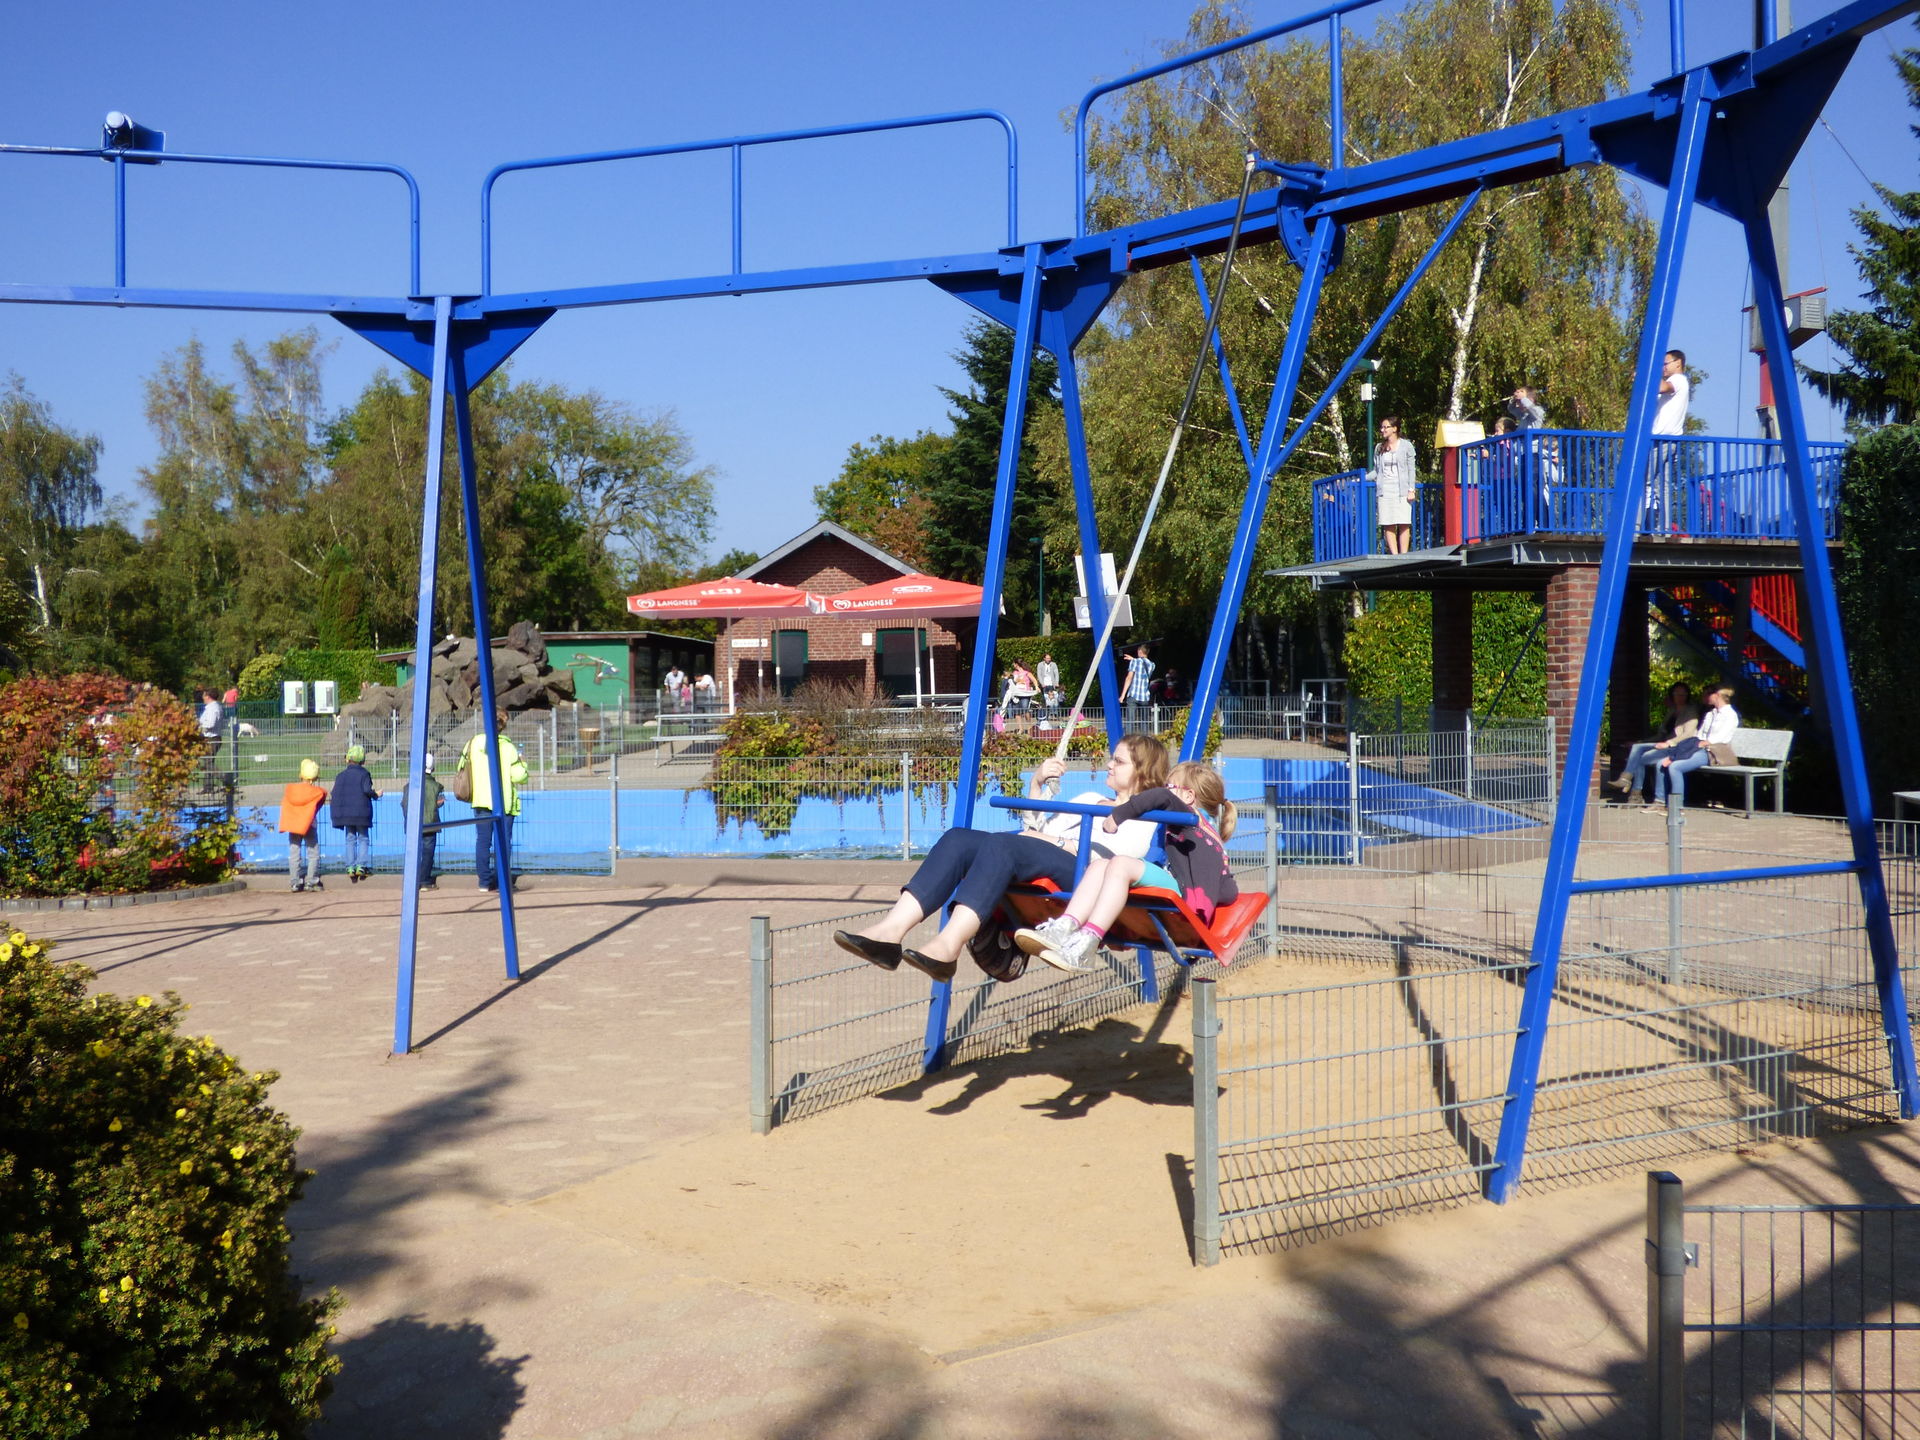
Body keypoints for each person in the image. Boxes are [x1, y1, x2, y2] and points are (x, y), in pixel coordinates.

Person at [831, 734, 1171, 982]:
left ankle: (949, 944)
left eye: (1119, 761)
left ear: (1143, 771)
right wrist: (1037, 785)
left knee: (1003, 845)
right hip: (1048, 855)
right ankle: (890, 933)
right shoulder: (1090, 798)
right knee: (958, 839)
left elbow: (1120, 856)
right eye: (1112, 758)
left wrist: (1053, 840)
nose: (1109, 764)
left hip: (1087, 876)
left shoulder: (1146, 817)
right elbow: (1034, 830)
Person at [1017, 760, 1240, 972]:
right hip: (1179, 886)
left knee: (1121, 865)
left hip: (1183, 897)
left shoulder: (1189, 818)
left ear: (1187, 796)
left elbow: (1162, 797)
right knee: (1101, 865)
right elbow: (1229, 891)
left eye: (1170, 786)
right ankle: (1065, 926)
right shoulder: (1207, 834)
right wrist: (1210, 891)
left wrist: (1118, 816)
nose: (1165, 789)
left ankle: (1088, 941)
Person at [460, 712, 529, 892]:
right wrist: (524, 764)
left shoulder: (473, 743)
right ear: (503, 725)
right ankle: (501, 882)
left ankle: (484, 881)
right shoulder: (508, 747)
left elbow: (461, 766)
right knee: (503, 842)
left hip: (480, 799)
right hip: (503, 801)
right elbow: (519, 776)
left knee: (483, 841)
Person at [1650, 684, 1738, 809]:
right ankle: (1659, 801)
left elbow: (1718, 738)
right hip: (1698, 748)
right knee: (1661, 764)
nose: (1705, 697)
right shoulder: (1711, 714)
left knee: (1675, 767)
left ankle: (1676, 808)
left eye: (1708, 694)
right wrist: (1694, 744)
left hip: (1713, 752)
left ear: (1717, 695)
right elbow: (1699, 735)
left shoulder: (1730, 715)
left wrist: (1700, 743)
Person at [1607, 682, 1701, 800]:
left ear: (1687, 695)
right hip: (1664, 744)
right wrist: (1640, 742)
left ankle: (1633, 790)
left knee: (1639, 758)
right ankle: (1628, 783)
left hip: (1677, 746)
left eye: (1683, 694)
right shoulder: (1672, 711)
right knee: (1637, 748)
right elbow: (1660, 735)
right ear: (1672, 695)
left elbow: (1688, 734)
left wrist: (1669, 743)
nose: (1680, 696)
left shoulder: (1690, 711)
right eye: (1677, 693)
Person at [1649, 348, 1690, 530]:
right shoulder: (1677, 382)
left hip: (1662, 440)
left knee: (1642, 480)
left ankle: (1635, 525)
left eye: (1665, 364)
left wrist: (1646, 375)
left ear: (1678, 363)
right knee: (1662, 485)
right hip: (1668, 440)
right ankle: (1664, 527)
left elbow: (1663, 387)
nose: (1663, 368)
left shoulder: (1678, 380)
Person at [330, 744, 381, 884]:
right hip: (361, 813)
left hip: (346, 814)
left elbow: (335, 793)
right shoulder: (364, 774)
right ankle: (361, 866)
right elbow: (367, 790)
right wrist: (376, 794)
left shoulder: (340, 776)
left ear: (348, 759)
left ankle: (350, 867)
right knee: (363, 838)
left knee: (350, 838)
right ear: (363, 760)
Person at [278, 759, 327, 893]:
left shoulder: (290, 790)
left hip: (294, 824)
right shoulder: (317, 792)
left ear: (301, 775)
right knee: (313, 853)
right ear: (315, 777)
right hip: (309, 823)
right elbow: (323, 795)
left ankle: (295, 882)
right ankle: (311, 881)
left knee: (294, 852)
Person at [1371, 415, 1418, 555]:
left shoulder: (1406, 445)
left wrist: (1411, 489)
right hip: (1385, 490)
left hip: (1402, 489)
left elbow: (1411, 469)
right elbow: (1376, 471)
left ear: (1395, 429)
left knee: (1404, 522)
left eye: (1386, 427)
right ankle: (1395, 555)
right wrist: (1360, 478)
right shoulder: (1379, 448)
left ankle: (1404, 555)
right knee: (1388, 523)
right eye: (1381, 427)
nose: (1382, 430)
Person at [401, 752, 444, 890]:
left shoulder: (408, 786)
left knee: (414, 852)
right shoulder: (436, 786)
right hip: (430, 823)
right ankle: (424, 880)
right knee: (427, 852)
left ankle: (412, 879)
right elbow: (439, 802)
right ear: (433, 768)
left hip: (413, 823)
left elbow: (404, 804)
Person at [1123, 645, 1155, 726]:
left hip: (1133, 694)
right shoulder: (1152, 665)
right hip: (1145, 696)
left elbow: (1129, 678)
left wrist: (1123, 695)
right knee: (1144, 721)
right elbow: (1142, 663)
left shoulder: (1134, 662)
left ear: (1140, 651)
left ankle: (1130, 734)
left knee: (1130, 721)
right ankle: (1144, 733)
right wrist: (1133, 659)